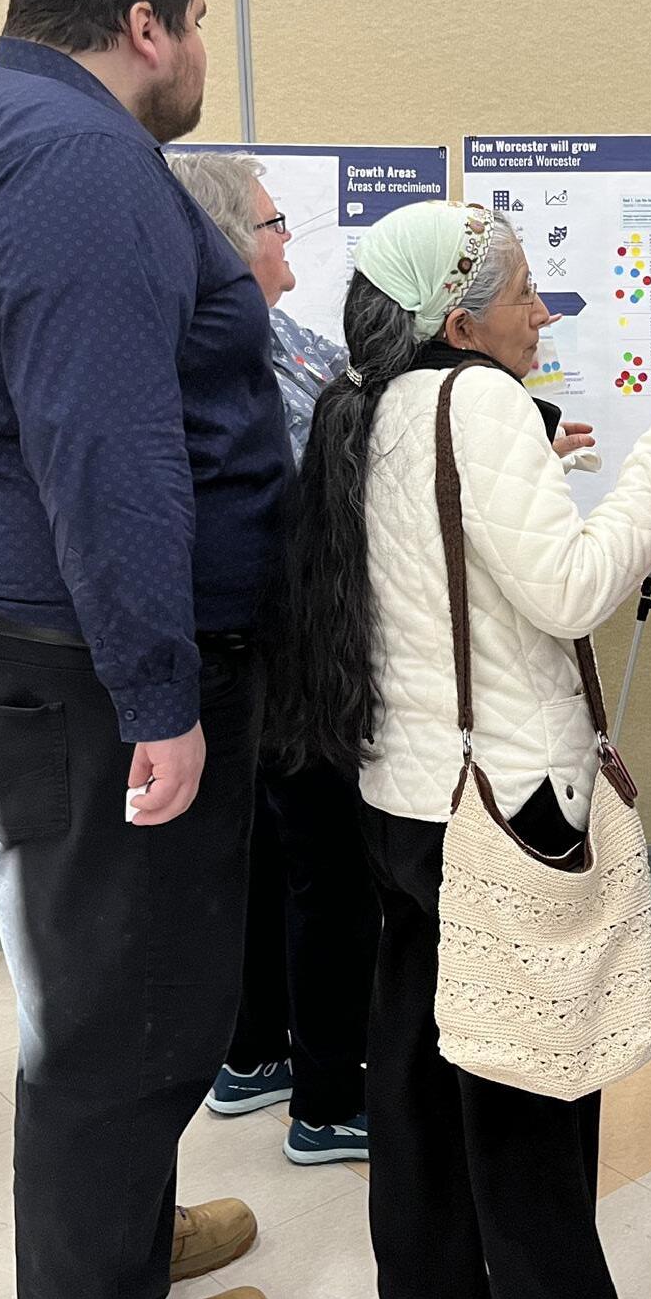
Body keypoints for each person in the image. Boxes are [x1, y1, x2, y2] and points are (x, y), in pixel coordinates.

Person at [273, 198, 651, 1299]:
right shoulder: (477, 403)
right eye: (526, 293)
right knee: (531, 1094)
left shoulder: (369, 408)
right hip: (506, 802)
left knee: (420, 1082)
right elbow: (573, 591)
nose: (545, 312)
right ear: (460, 318)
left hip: (404, 801)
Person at [0, 0, 288, 1299]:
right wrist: (159, 694)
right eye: (198, 18)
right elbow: (106, 442)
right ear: (143, 24)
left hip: (47, 633)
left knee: (123, 981)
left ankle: (127, 1233)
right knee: (117, 1002)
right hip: (94, 660)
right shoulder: (73, 156)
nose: (203, 45)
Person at [168, 149, 377, 1163]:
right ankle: (328, 1100)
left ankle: (254, 1054)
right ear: (226, 246)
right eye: (271, 222)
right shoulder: (221, 356)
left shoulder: (274, 335)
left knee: (271, 854)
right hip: (281, 640)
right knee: (321, 867)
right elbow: (343, 454)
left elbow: (359, 401)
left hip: (267, 641)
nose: (288, 235)